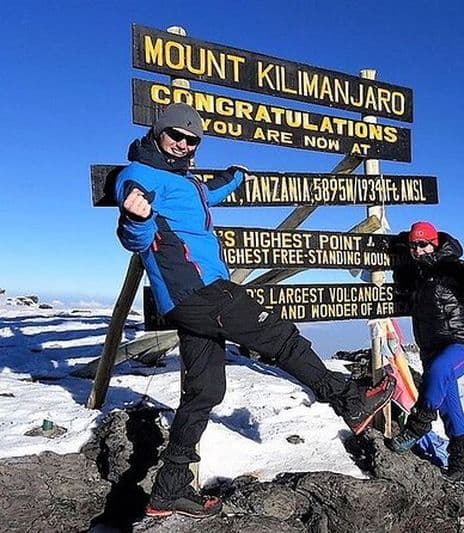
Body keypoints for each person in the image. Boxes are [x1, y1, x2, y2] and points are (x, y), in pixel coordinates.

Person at [114, 103, 395, 518]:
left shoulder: (181, 179)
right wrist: (133, 218)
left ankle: (168, 490)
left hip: (191, 299)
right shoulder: (139, 176)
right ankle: (349, 400)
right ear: (158, 133)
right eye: (176, 135)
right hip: (200, 291)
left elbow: (204, 196)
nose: (184, 144)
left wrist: (235, 178)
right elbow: (134, 234)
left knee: (205, 391)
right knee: (280, 337)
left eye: (192, 139)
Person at [387, 221, 464, 483]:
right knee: (450, 408)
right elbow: (399, 258)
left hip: (459, 345)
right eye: (413, 246)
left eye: (422, 244)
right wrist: (394, 243)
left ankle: (417, 426)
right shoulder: (412, 273)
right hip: (430, 351)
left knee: (441, 369)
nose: (417, 250)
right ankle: (461, 463)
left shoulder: (453, 267)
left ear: (435, 243)